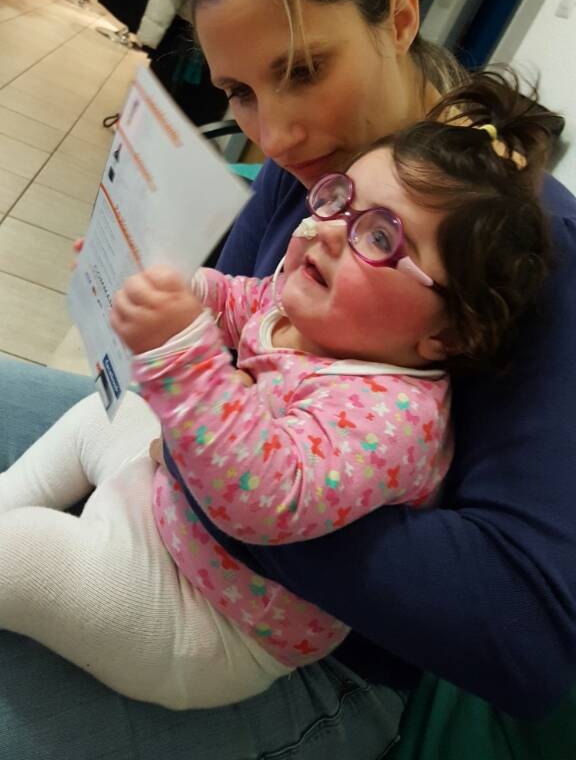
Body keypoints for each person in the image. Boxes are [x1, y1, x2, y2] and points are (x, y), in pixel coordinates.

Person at [0, 0, 574, 759]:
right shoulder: (321, 171)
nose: (274, 136)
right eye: (237, 92)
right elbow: (237, 322)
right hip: (181, 496)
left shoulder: (530, 247)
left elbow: (525, 639)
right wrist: (150, 291)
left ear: (400, 17)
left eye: (303, 70)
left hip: (306, 646)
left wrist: (216, 463)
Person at [0, 74, 555, 709]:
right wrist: (169, 287)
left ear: (448, 334)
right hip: (165, 515)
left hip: (208, 621)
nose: (328, 230)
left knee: (25, 554)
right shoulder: (310, 309)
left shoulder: (394, 415)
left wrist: (180, 350)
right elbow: (238, 301)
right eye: (339, 199)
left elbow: (265, 499)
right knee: (112, 412)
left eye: (380, 236)